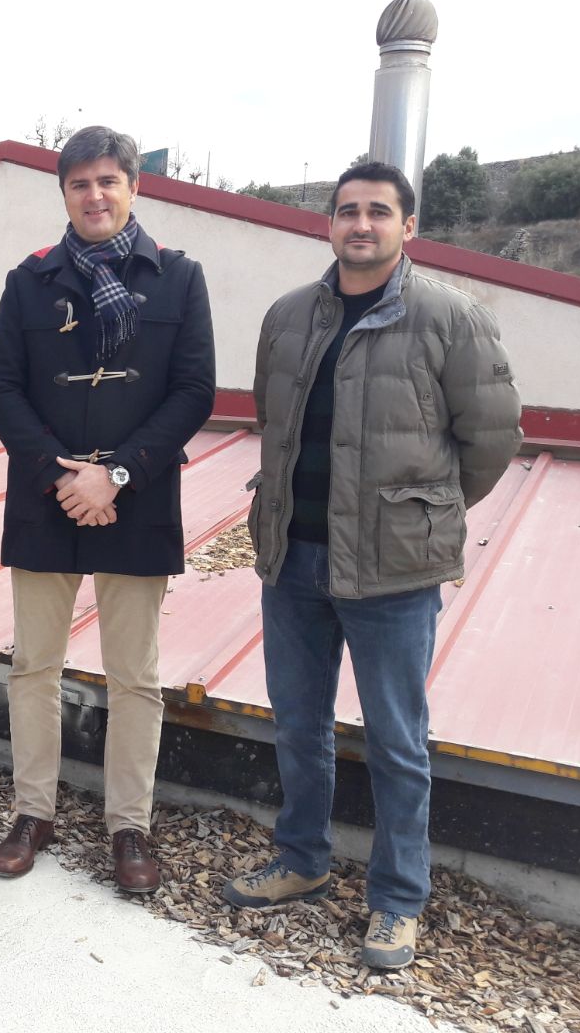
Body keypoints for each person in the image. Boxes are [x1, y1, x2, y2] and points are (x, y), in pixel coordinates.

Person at [225, 160, 521, 969]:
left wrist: (422, 513)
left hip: (393, 572)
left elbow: (492, 438)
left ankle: (397, 899)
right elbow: (272, 421)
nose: (361, 224)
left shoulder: (451, 317)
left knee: (396, 741)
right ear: (330, 223)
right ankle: (302, 860)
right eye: (348, 210)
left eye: (379, 212)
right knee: (299, 724)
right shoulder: (289, 316)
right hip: (293, 557)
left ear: (408, 226)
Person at [0, 125, 215, 890]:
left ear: (134, 188)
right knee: (33, 667)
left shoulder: (180, 279)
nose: (95, 195)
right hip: (46, 496)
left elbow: (193, 392)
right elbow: (1, 387)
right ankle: (33, 812)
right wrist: (62, 476)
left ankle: (129, 827)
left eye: (109, 180)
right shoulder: (29, 281)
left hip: (136, 499)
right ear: (64, 193)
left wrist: (113, 475)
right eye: (80, 183)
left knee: (135, 675)